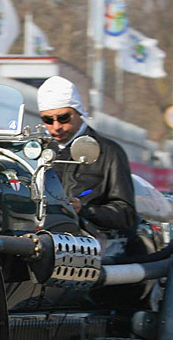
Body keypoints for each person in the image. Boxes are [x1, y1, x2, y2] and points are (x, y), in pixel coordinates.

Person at [37, 76, 136, 231]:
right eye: (48, 120)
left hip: (92, 244)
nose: (56, 126)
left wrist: (84, 210)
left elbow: (126, 214)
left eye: (63, 118)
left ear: (79, 112)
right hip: (41, 238)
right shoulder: (37, 151)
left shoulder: (109, 152)